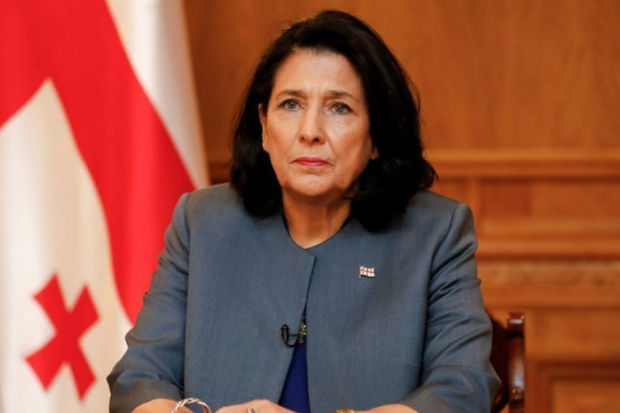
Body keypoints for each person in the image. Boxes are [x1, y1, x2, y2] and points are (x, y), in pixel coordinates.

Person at [108, 10, 499, 413]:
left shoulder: (436, 233)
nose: (310, 131)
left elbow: (462, 387)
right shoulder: (202, 222)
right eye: (291, 104)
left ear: (377, 136)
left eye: (339, 108)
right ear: (264, 126)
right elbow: (139, 378)